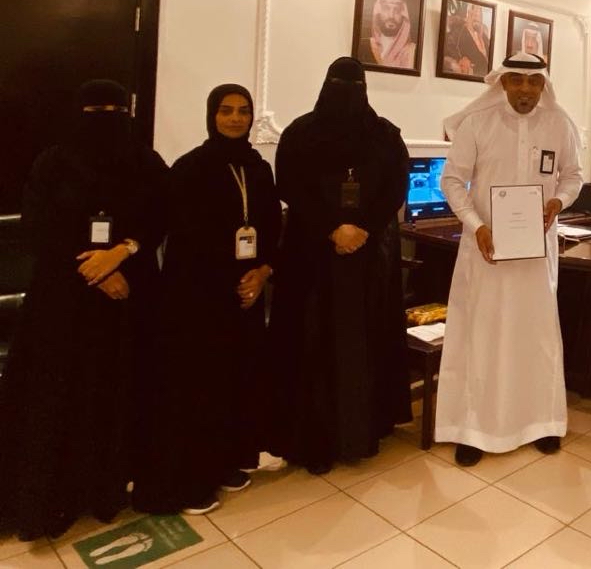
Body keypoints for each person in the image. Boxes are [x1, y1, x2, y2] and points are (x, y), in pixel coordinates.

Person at [0, 80, 167, 540]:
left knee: (120, 389)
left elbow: (161, 215)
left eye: (115, 110)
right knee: (63, 395)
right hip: (64, 304)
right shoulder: (53, 163)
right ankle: (59, 495)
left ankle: (110, 487)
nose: (106, 119)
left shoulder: (146, 162)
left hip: (128, 301)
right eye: (96, 110)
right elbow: (38, 225)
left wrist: (122, 252)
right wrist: (95, 269)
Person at [132, 84, 282, 515]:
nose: (235, 118)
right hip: (198, 299)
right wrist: (229, 281)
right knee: (198, 388)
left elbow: (271, 225)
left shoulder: (258, 168)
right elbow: (182, 234)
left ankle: (226, 462)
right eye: (226, 110)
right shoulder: (190, 168)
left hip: (245, 295)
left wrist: (262, 272)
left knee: (236, 381)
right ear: (211, 115)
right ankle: (190, 480)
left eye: (243, 111)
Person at [437, 52, 582, 466]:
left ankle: (541, 422)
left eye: (533, 82)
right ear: (502, 83)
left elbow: (573, 176)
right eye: (516, 80)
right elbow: (452, 180)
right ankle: (473, 429)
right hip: (487, 249)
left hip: (536, 253)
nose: (525, 89)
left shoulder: (560, 125)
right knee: (483, 333)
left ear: (543, 85)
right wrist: (476, 225)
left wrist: (558, 201)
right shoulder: (477, 123)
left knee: (536, 333)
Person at [268, 58, 411, 475]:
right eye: (338, 84)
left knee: (363, 340)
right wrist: (333, 227)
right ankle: (313, 438)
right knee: (313, 340)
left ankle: (362, 432)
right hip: (311, 256)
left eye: (354, 86)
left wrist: (362, 227)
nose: (347, 95)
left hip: (369, 257)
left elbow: (396, 188)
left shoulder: (386, 136)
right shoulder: (299, 134)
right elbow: (289, 186)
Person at [357, 0, 417, 70]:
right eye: (386, 9)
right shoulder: (363, 45)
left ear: (404, 16)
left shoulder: (413, 51)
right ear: (378, 12)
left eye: (397, 10)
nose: (391, 16)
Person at [443, 2, 491, 77]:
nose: (477, 15)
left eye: (479, 12)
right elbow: (449, 47)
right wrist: (461, 60)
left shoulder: (483, 36)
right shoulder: (458, 31)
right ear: (468, 14)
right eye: (473, 11)